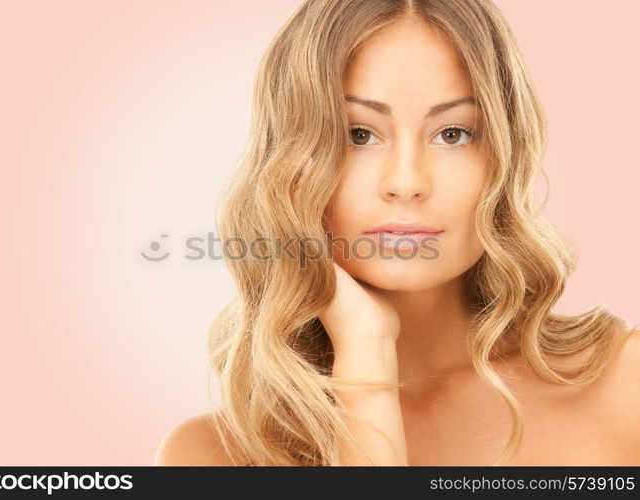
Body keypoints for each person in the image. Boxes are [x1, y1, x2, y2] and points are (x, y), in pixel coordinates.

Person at [155, 0, 640, 466]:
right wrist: (365, 353)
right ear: (288, 164)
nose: (406, 183)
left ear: (504, 156)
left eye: (453, 134)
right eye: (358, 135)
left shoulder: (625, 383)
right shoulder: (213, 456)